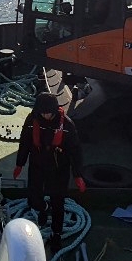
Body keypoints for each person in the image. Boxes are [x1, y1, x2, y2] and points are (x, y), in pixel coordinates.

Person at [13, 92, 85, 251]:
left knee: (58, 201)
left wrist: (78, 174)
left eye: (49, 112)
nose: (46, 115)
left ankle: (56, 234)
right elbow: (25, 142)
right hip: (37, 165)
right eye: (42, 112)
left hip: (59, 169)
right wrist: (20, 163)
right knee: (33, 198)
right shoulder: (32, 120)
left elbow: (75, 151)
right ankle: (43, 208)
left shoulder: (67, 125)